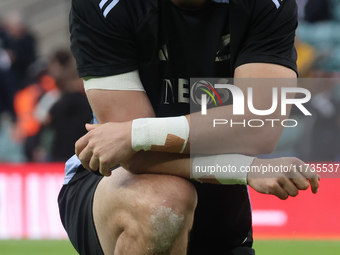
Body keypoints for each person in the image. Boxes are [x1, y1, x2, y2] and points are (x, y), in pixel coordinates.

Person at [58, 0, 320, 254]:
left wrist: (135, 134)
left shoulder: (266, 4)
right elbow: (135, 155)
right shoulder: (105, 5)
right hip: (115, 181)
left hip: (220, 194)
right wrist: (247, 169)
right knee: (164, 201)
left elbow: (260, 123)